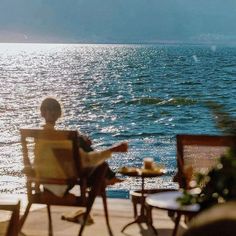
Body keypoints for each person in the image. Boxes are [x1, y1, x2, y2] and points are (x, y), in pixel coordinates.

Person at [37, 97, 128, 197]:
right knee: (101, 168)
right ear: (59, 114)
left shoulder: (37, 136)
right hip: (60, 184)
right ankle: (108, 179)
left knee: (81, 142)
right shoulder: (62, 138)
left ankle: (109, 178)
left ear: (42, 113)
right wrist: (113, 149)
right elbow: (86, 159)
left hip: (43, 181)